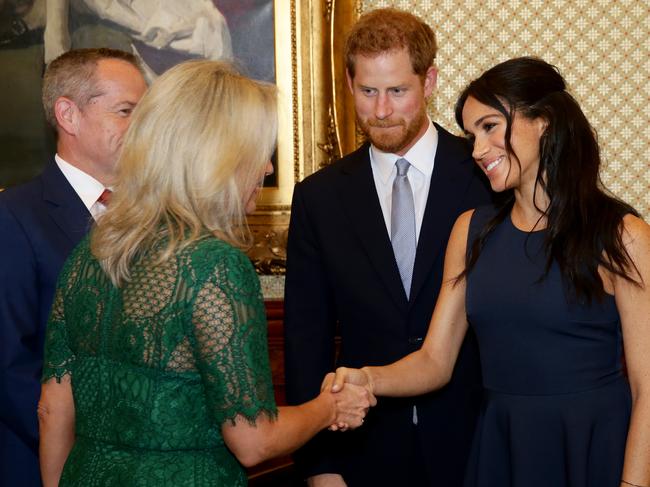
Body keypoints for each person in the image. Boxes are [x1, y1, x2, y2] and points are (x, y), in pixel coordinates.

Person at [37, 60, 373, 487]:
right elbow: (254, 441)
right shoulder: (215, 265)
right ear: (220, 157)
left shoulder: (92, 249)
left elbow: (53, 409)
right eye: (258, 153)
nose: (267, 169)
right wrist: (330, 407)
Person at [328, 57, 650, 487]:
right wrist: (368, 377)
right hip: (501, 448)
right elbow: (434, 362)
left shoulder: (622, 236)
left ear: (545, 122)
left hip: (592, 448)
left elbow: (648, 387)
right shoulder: (470, 232)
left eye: (490, 127)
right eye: (470, 134)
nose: (477, 150)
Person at [283, 8, 492, 487]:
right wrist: (321, 466)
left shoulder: (487, 178)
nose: (380, 111)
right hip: (363, 449)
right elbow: (306, 338)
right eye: (367, 91)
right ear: (350, 84)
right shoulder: (319, 197)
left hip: (477, 443)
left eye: (397, 91)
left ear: (430, 80)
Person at [0, 47, 147, 487]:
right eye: (126, 111)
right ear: (68, 114)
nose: (142, 128)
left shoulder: (152, 216)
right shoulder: (14, 217)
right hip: (47, 463)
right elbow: (9, 364)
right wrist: (84, 451)